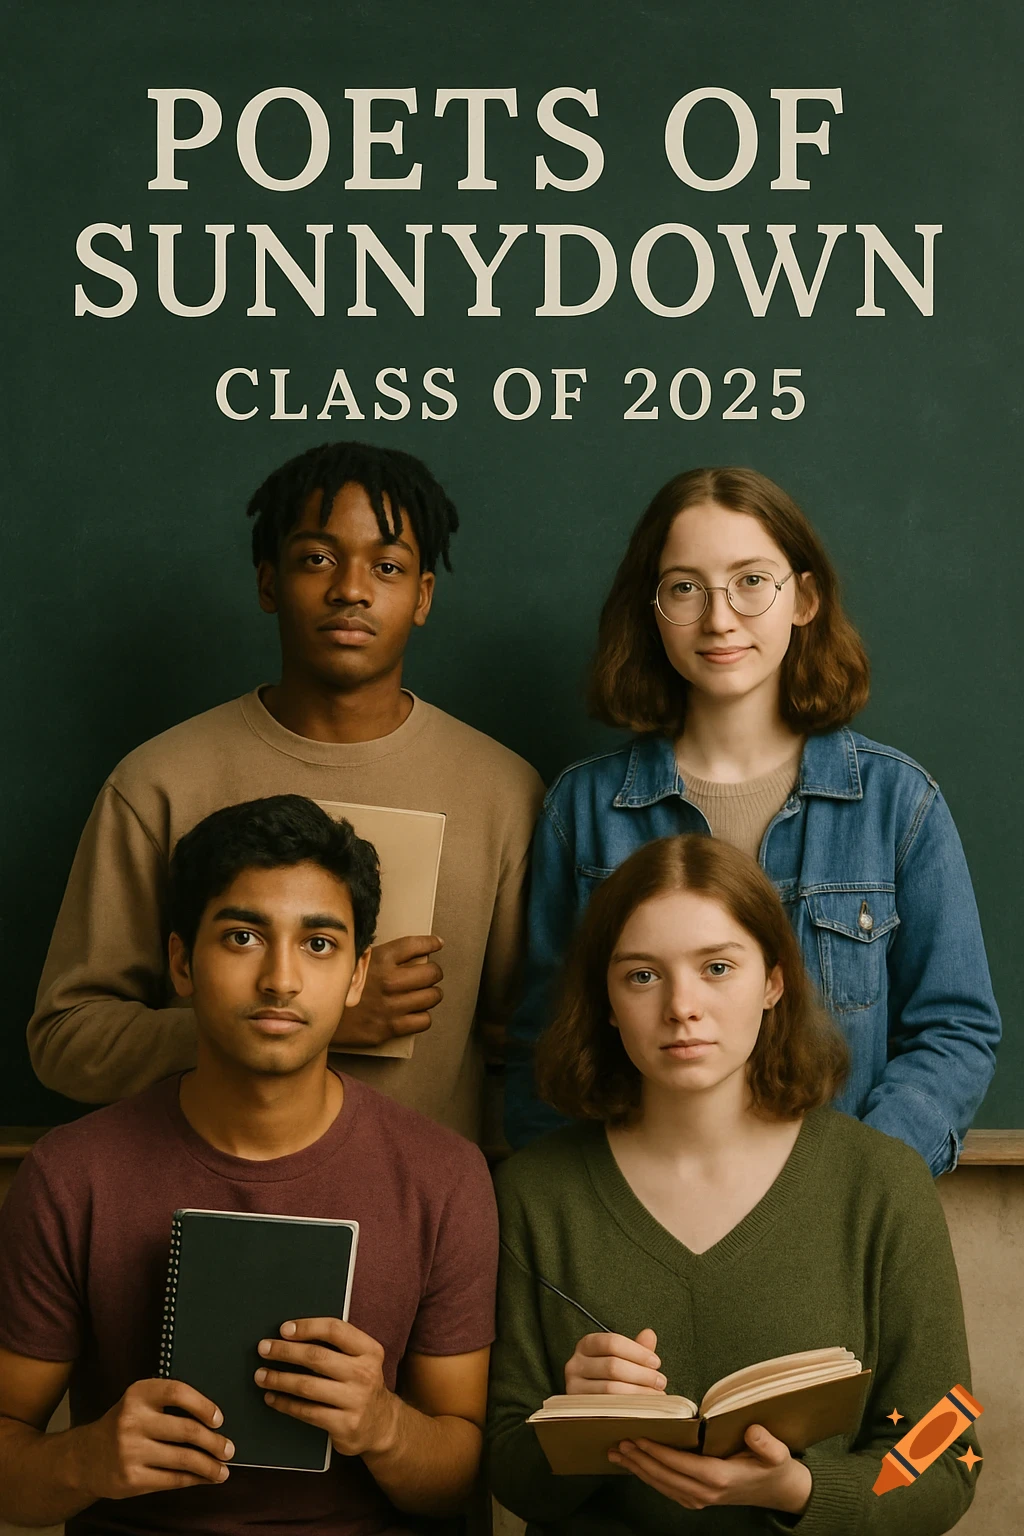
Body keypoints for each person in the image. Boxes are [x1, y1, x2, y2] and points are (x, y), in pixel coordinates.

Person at [0, 795, 498, 1535]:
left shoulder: (445, 1178)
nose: (280, 979)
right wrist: (87, 1459)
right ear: (181, 962)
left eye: (319, 944)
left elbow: (459, 1480)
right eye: (242, 937)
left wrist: (384, 1425)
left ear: (357, 975)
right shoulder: (71, 1175)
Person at [29, 440, 544, 1142]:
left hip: (418, 1200)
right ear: (269, 583)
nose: (351, 590)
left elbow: (527, 1045)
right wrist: (306, 1020)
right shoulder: (159, 782)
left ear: (423, 595)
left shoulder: (502, 793)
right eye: (317, 559)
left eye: (387, 567)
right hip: (199, 1189)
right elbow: (68, 1039)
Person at [504, 467, 999, 1173]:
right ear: (651, 609)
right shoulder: (584, 809)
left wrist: (857, 1184)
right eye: (685, 588)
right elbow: (545, 1044)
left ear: (805, 598)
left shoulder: (897, 802)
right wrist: (586, 1204)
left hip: (836, 1208)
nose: (719, 618)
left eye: (751, 581)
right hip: (642, 1201)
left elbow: (954, 1029)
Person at [488, 834, 980, 1535]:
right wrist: (579, 1423)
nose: (682, 1006)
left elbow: (946, 1449)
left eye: (717, 967)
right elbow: (506, 1471)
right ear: (606, 999)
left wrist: (801, 1490)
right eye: (642, 976)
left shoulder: (882, 1184)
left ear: (773, 981)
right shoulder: (534, 1194)